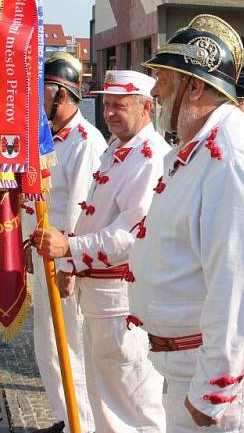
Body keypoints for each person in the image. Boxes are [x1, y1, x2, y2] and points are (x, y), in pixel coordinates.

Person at [129, 14, 244, 431]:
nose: (154, 91)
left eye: (162, 79)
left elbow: (240, 283)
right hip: (194, 361)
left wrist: (216, 388)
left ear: (194, 85)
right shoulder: (205, 146)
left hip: (230, 370)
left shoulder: (230, 156)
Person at [33, 69, 169, 432]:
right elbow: (92, 215)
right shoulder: (118, 148)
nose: (109, 113)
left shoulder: (151, 157)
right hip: (100, 298)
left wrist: (70, 248)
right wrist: (71, 265)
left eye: (119, 106)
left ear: (146, 107)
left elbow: (131, 235)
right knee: (105, 400)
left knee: (134, 405)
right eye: (106, 104)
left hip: (123, 301)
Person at [24, 51, 105, 433]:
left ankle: (82, 424)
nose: (38, 99)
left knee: (70, 346)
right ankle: (63, 416)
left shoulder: (86, 141)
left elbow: (81, 208)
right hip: (43, 253)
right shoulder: (46, 138)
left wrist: (71, 264)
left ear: (61, 94)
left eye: (43, 91)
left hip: (65, 259)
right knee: (48, 344)